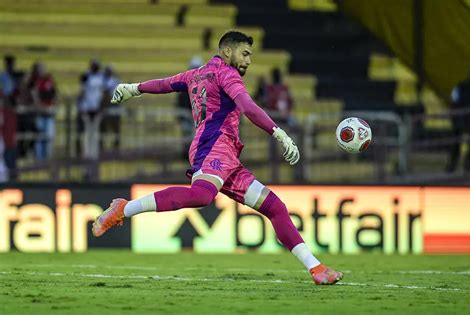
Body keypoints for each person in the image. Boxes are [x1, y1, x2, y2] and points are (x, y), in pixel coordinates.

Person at [92, 30, 343, 285]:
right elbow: (247, 107)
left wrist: (133, 88)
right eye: (244, 53)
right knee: (202, 195)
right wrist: (278, 133)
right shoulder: (227, 73)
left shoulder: (196, 74)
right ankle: (125, 208)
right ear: (227, 51)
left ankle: (316, 268)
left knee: (274, 207)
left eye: (250, 55)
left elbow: (165, 84)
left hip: (225, 153)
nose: (248, 60)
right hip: (214, 146)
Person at [446, 67, 470, 172]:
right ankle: (454, 165)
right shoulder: (460, 87)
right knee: (456, 143)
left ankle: (467, 165)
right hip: (461, 119)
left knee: (468, 143)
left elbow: (453, 100)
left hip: (462, 119)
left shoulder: (459, 87)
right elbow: (453, 100)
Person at [101, 65, 121, 150]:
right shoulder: (103, 81)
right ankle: (102, 146)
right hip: (106, 107)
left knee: (115, 128)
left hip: (114, 106)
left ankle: (116, 146)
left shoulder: (116, 81)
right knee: (104, 128)